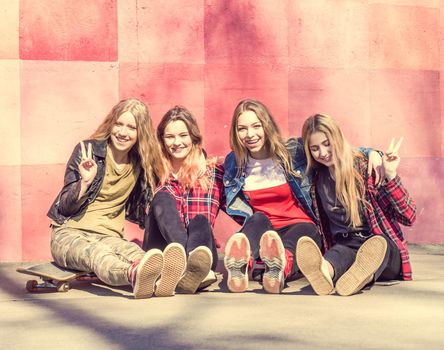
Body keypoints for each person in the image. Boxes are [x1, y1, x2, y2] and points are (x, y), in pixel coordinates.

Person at [223, 99, 380, 294]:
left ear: (267, 125)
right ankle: (239, 266)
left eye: (257, 126)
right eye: (242, 129)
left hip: (301, 225)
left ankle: (280, 268)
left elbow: (333, 149)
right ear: (235, 132)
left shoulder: (293, 150)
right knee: (256, 219)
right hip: (266, 233)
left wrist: (372, 153)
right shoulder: (233, 162)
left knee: (304, 233)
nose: (250, 134)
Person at [48, 98, 187, 299]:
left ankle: (160, 278)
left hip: (110, 237)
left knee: (142, 256)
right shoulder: (88, 152)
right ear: (111, 124)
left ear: (141, 133)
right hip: (69, 234)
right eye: (118, 124)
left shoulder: (142, 164)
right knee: (98, 255)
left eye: (131, 127)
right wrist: (84, 184)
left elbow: (176, 163)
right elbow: (66, 207)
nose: (122, 132)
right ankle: (134, 275)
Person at [297, 113, 416, 296]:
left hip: (380, 244)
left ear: (338, 137)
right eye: (314, 148)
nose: (322, 153)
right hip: (347, 243)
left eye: (327, 143)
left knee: (377, 246)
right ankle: (324, 273)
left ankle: (363, 275)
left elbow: (409, 216)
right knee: (335, 258)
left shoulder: (366, 168)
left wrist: (390, 175)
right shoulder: (316, 179)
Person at [142, 106, 224, 294]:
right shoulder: (152, 173)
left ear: (193, 138)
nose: (177, 142)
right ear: (162, 140)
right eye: (170, 137)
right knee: (162, 198)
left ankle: (196, 267)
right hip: (163, 251)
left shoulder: (213, 174)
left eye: (183, 135)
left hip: (203, 250)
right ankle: (185, 268)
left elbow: (242, 203)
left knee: (200, 220)